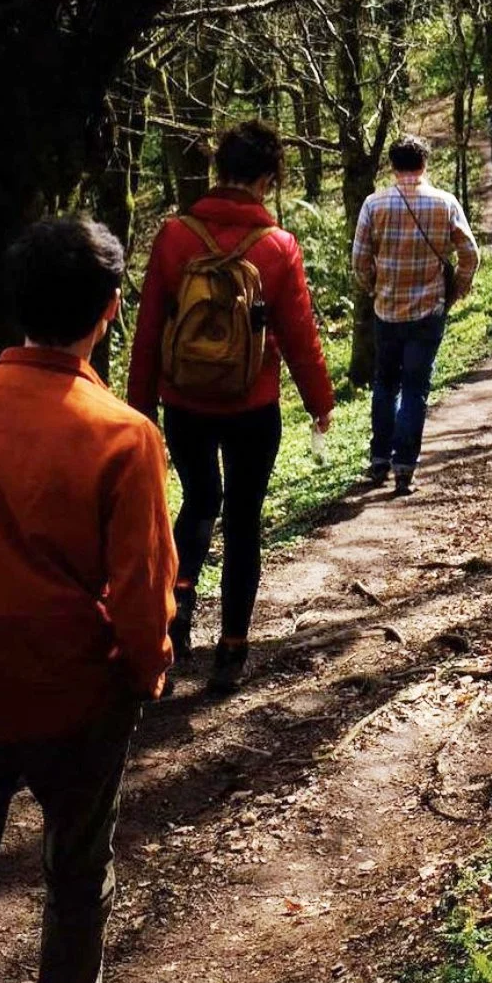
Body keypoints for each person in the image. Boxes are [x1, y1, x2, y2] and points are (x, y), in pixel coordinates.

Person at [0, 218, 177, 983]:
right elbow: (144, 588)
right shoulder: (124, 435)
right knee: (79, 869)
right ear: (111, 309)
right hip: (73, 697)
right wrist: (145, 671)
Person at [128, 119, 334, 694]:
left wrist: (140, 410)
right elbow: (299, 333)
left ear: (220, 169)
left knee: (198, 500)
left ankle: (180, 598)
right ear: (268, 179)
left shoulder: (174, 237)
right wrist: (319, 400)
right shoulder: (277, 246)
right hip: (252, 404)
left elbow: (148, 332)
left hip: (184, 400)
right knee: (244, 518)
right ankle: (233, 650)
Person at [353, 135, 480, 494]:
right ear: (424, 165)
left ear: (393, 166)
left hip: (387, 310)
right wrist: (456, 289)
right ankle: (404, 468)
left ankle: (379, 459)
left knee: (385, 382)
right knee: (415, 388)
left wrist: (374, 287)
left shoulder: (373, 205)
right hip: (428, 310)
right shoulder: (445, 203)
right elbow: (469, 253)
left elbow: (359, 260)